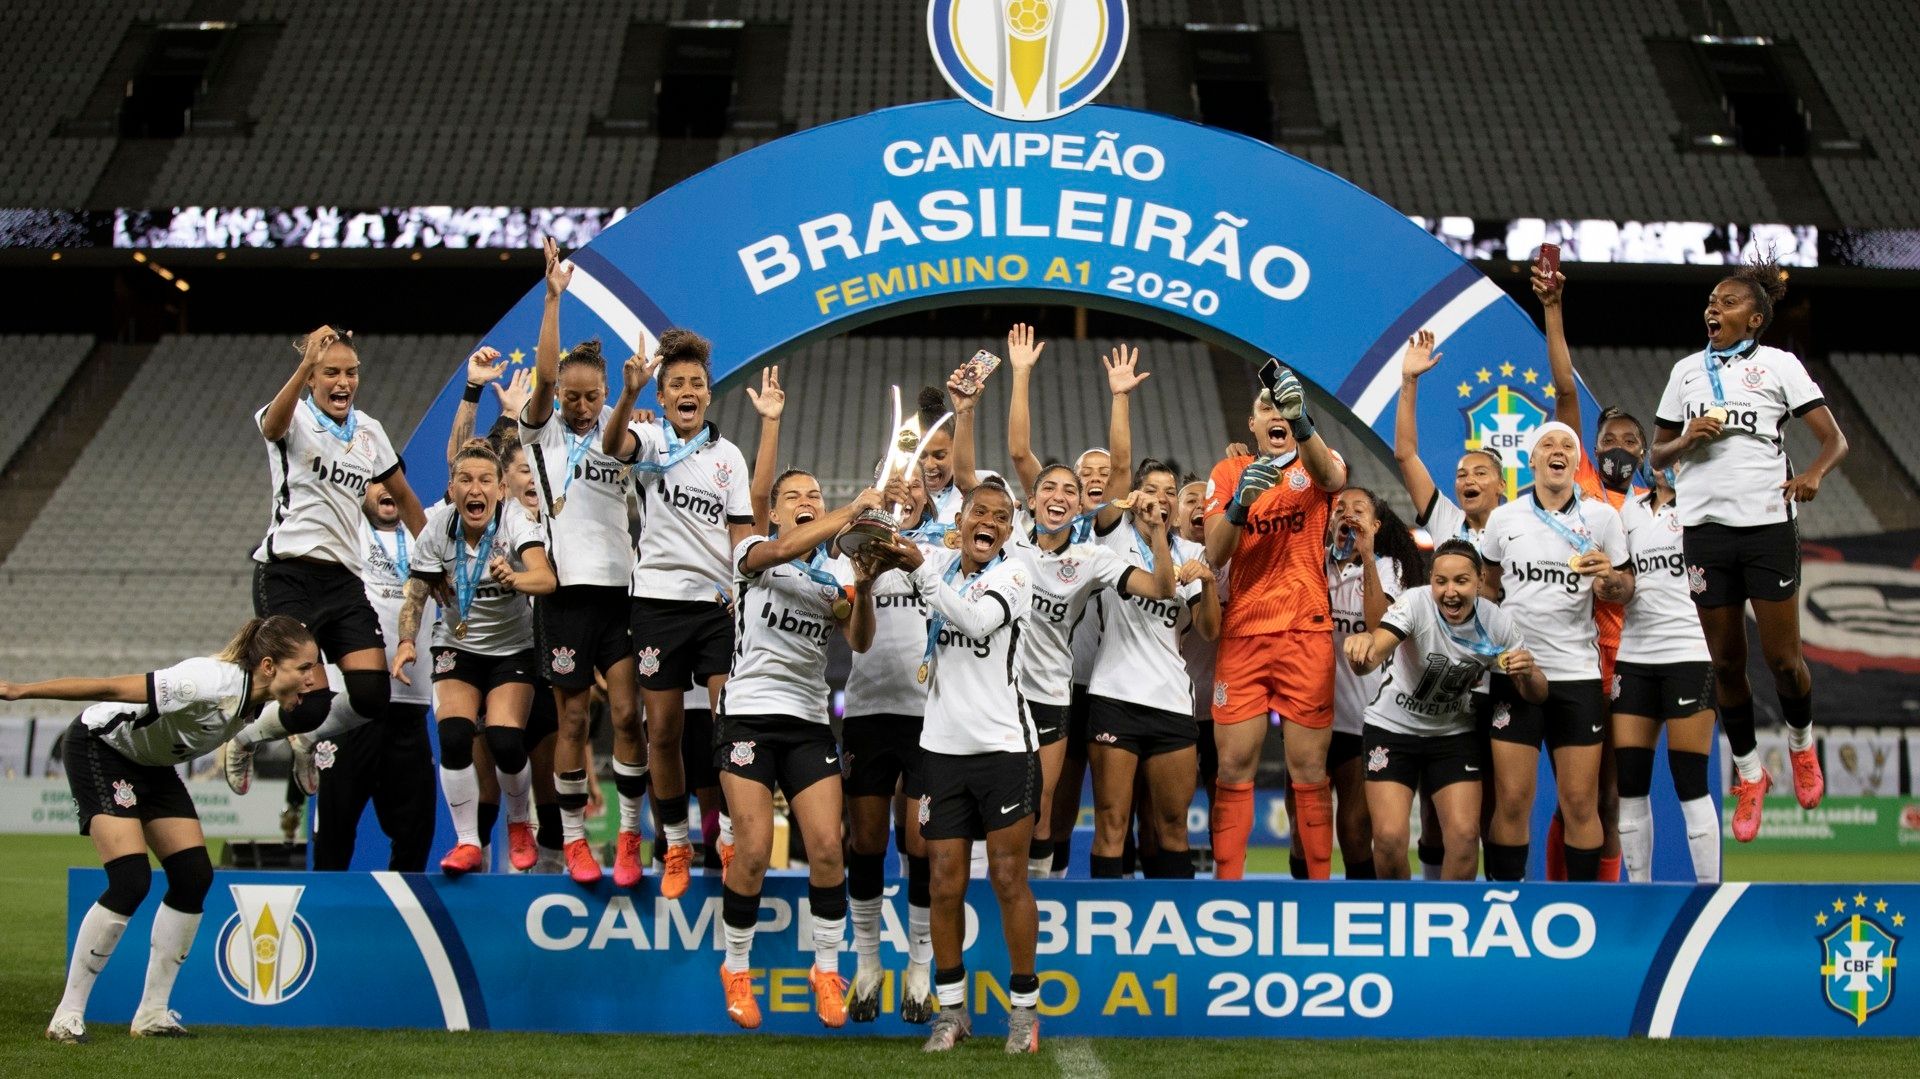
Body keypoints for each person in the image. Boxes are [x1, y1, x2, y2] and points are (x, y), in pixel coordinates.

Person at [3, 616, 322, 1042]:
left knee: (193, 877)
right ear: (268, 666)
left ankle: (151, 1014)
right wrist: (21, 691)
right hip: (101, 747)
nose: (311, 678)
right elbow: (111, 688)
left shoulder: (263, 701)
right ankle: (68, 1013)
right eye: (304, 668)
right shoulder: (205, 682)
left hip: (152, 765)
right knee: (130, 881)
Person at [1651, 255, 1849, 840]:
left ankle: (1801, 746)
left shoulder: (1780, 367)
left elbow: (1835, 441)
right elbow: (1656, 457)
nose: (1714, 307)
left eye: (1728, 301)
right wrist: (1686, 439)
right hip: (1705, 529)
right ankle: (1748, 773)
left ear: (1756, 318)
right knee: (1727, 664)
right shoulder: (1686, 371)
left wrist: (1812, 474)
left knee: (1784, 660)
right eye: (1711, 301)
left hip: (1766, 523)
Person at [221, 326, 428, 793]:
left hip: (343, 579)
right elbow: (272, 427)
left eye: (351, 372)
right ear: (312, 378)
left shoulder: (370, 431)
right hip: (288, 574)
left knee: (374, 696)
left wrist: (433, 563)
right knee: (308, 701)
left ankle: (308, 739)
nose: (343, 382)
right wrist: (302, 364)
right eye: (330, 372)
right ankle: (245, 739)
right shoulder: (291, 416)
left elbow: (406, 498)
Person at [715, 473, 884, 1031]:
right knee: (756, 849)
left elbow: (857, 638)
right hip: (748, 715)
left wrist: (861, 583)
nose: (808, 503)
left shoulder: (833, 571)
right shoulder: (754, 551)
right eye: (796, 497)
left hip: (809, 721)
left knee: (829, 849)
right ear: (775, 511)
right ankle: (736, 968)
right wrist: (851, 511)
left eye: (815, 495)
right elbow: (787, 550)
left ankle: (827, 970)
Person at [877, 478, 1041, 1053]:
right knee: (944, 883)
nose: (988, 522)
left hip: (1004, 749)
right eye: (979, 511)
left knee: (1006, 878)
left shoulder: (1016, 576)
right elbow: (884, 542)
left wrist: (922, 568)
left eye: (1000, 515)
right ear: (963, 517)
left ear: (1009, 528)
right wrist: (886, 508)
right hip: (941, 750)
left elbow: (973, 622)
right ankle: (952, 1012)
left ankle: (1023, 1011)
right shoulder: (941, 560)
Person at [603, 328, 757, 899]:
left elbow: (741, 533)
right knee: (661, 732)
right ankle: (674, 843)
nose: (687, 391)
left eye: (696, 383)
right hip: (658, 605)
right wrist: (627, 395)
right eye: (676, 385)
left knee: (729, 726)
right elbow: (612, 446)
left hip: (717, 606)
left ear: (708, 395)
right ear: (663, 398)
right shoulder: (649, 437)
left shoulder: (729, 457)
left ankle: (733, 835)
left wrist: (743, 592)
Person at [519, 238, 646, 885]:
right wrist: (552, 297)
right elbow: (541, 377)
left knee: (627, 713)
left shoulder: (622, 431)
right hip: (565, 595)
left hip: (618, 594)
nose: (578, 404)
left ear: (603, 393)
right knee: (572, 717)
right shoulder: (539, 432)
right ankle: (573, 840)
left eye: (589, 395)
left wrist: (626, 399)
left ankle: (628, 838)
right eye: (572, 394)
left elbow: (631, 440)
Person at [1001, 324, 1138, 878]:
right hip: (1027, 683)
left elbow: (1124, 472)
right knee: (1031, 803)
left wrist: (1121, 397)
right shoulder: (1031, 525)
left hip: (1087, 683)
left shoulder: (1102, 535)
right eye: (1086, 475)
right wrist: (1022, 373)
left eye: (1101, 479)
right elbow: (1017, 451)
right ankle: (1028, 888)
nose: (1094, 483)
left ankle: (1052, 890)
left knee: (1068, 800)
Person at [1204, 363, 1348, 879]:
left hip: (1305, 632)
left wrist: (1302, 415)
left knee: (1309, 770)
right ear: (1251, 423)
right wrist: (1241, 503)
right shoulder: (1226, 475)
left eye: (1281, 405)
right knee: (1232, 768)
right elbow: (1214, 554)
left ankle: (1317, 890)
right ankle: (1228, 889)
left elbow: (1332, 477)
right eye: (1265, 407)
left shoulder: (1317, 458)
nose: (1275, 414)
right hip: (1243, 633)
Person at [1479, 421, 1634, 881]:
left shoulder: (1603, 519)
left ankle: (1583, 910)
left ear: (1576, 461)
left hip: (1577, 676)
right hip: (1515, 674)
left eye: (1568, 444)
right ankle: (1504, 907)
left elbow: (1625, 589)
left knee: (1581, 803)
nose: (1558, 450)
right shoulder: (1504, 519)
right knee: (1511, 800)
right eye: (1547, 444)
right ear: (1531, 460)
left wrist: (1609, 579)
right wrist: (1489, 646)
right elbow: (1488, 590)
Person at [394, 441, 556, 874]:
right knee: (453, 737)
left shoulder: (516, 521)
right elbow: (415, 592)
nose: (475, 489)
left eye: (485, 480)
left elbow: (547, 579)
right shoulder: (437, 527)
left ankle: (520, 821)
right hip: (456, 646)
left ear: (501, 489)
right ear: (452, 489)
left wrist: (518, 578)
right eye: (465, 480)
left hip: (511, 649)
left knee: (505, 741)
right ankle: (467, 841)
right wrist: (406, 641)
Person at [1538, 261, 1650, 882]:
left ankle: (1600, 910)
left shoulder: (1661, 505)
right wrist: (1554, 309)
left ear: (1644, 451)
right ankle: (1563, 900)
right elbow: (1564, 393)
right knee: (1575, 796)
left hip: (1632, 655)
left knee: (1604, 796)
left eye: (1631, 439)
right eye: (1608, 434)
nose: (1617, 444)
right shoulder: (1579, 485)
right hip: (1578, 650)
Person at [1342, 542, 1545, 879]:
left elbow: (1537, 694)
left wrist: (1530, 673)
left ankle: (1451, 926)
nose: (1450, 592)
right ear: (1431, 581)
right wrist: (1361, 651)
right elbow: (1373, 655)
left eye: (1461, 581)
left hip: (1452, 734)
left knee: (1466, 839)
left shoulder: (1497, 623)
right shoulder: (1415, 604)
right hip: (1393, 730)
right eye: (1441, 582)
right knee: (1390, 840)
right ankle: (1400, 923)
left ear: (1480, 581)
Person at [1086, 461, 1214, 879]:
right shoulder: (1112, 538)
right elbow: (1119, 464)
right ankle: (1105, 930)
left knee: (1173, 828)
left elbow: (1210, 630)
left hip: (1172, 701)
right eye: (1153, 489)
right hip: (1114, 696)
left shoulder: (1192, 554)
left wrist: (1209, 583)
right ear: (1136, 497)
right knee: (1111, 824)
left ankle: (1173, 934)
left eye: (1170, 491)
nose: (1163, 497)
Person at [842, 472, 938, 1024]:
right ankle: (869, 963)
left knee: (921, 844)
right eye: (897, 483)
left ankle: (920, 967)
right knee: (868, 842)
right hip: (867, 711)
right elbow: (852, 630)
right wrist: (861, 574)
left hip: (928, 715)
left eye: (918, 486)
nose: (908, 491)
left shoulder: (941, 550)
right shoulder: (852, 548)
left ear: (928, 496)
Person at [308, 479, 436, 872]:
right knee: (334, 829)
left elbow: (461, 473)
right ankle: (325, 921)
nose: (385, 489)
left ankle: (404, 918)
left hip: (409, 707)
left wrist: (469, 411)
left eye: (392, 482)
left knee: (417, 831)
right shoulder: (343, 535)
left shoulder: (426, 533)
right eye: (373, 482)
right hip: (351, 707)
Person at [1614, 466, 1721, 881]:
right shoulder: (1627, 511)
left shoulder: (1710, 505)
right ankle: (1639, 894)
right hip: (1635, 656)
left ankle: (1708, 896)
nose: (1675, 463)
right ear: (1654, 459)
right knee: (1631, 783)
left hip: (1691, 653)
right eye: (1669, 450)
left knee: (1690, 780)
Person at [1323, 487, 1425, 878]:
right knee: (1303, 819)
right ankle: (1308, 903)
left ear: (1376, 525)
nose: (1347, 514)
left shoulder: (1389, 570)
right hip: (1309, 710)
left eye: (1359, 509)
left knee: (1352, 825)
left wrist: (1365, 555)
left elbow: (1378, 630)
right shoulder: (1315, 564)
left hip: (1360, 714)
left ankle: (1360, 898)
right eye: (1340, 508)